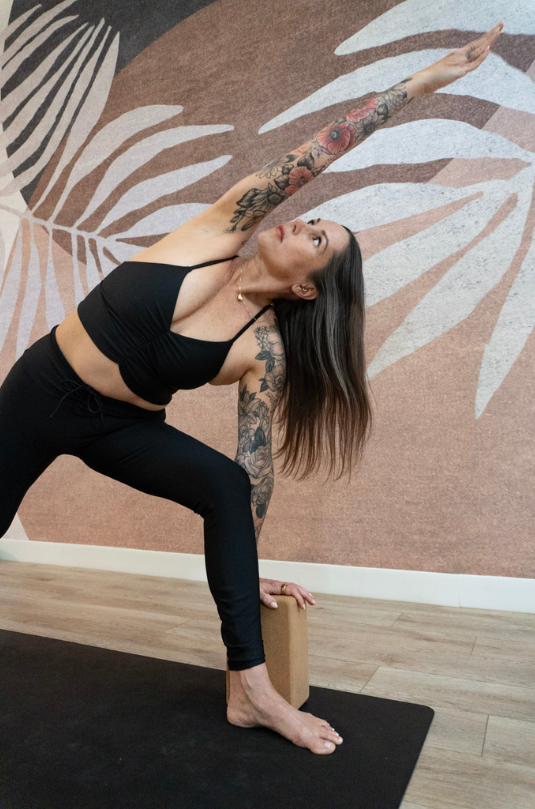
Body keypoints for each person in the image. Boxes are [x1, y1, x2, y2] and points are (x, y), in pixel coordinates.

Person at [0, 23, 502, 754]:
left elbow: (253, 463)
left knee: (225, 485)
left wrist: (249, 563)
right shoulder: (218, 229)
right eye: (313, 219)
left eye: (316, 238)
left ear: (305, 285)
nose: (301, 221)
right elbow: (320, 150)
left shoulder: (261, 348)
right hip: (37, 392)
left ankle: (250, 688)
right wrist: (420, 84)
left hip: (116, 426)